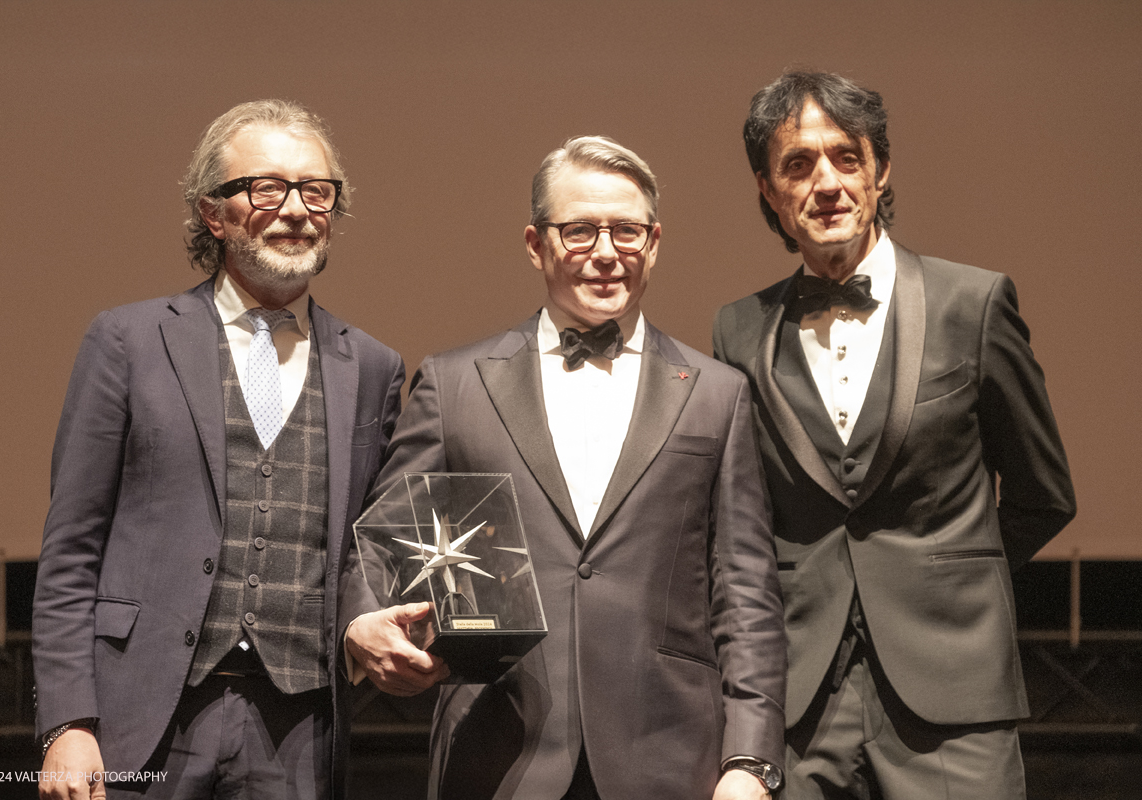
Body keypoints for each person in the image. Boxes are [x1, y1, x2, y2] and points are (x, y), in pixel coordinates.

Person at [345, 136, 787, 800]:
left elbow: (747, 596)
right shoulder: (454, 383)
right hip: (495, 757)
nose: (606, 252)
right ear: (535, 244)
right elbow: (381, 539)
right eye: (580, 231)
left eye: (626, 232)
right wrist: (360, 624)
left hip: (672, 761)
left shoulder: (718, 394)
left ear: (655, 242)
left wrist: (750, 763)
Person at [32, 99, 443, 800]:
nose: (295, 208)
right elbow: (72, 545)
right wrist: (67, 721)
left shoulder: (373, 366)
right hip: (143, 715)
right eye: (266, 187)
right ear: (212, 214)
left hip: (300, 726)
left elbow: (359, 551)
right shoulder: (128, 342)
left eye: (316, 190)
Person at [712, 71, 1077, 799]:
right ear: (767, 191)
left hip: (954, 699)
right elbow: (742, 524)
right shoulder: (737, 331)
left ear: (881, 172)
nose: (827, 182)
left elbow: (1043, 493)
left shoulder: (973, 304)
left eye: (846, 158)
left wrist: (948, 580)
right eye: (798, 164)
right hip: (801, 699)